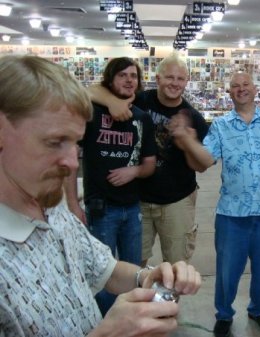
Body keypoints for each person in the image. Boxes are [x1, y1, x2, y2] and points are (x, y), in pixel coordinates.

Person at [0, 55, 201, 336]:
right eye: (55, 142)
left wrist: (147, 277)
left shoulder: (50, 208)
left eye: (75, 143)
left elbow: (104, 268)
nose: (72, 163)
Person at [167, 72, 260, 337]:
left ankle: (259, 310)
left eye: (245, 84)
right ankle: (224, 313)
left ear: (255, 89)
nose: (241, 89)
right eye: (235, 86)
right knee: (227, 272)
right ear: (229, 92)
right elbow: (205, 161)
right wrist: (187, 141)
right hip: (231, 215)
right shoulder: (221, 126)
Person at [88, 53, 209, 266]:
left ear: (186, 82)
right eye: (170, 77)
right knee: (135, 265)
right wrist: (112, 102)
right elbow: (88, 91)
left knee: (176, 266)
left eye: (180, 79)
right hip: (139, 200)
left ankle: (170, 302)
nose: (175, 83)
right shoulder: (141, 99)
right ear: (158, 78)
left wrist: (186, 141)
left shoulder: (193, 117)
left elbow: (202, 165)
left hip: (177, 201)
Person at [65, 57, 157, 316]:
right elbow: (71, 161)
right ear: (110, 79)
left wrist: (134, 170)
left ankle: (129, 320)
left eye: (133, 76)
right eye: (122, 75)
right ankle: (104, 324)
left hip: (132, 207)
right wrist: (73, 204)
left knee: (132, 270)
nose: (129, 80)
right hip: (101, 209)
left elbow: (149, 163)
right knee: (103, 273)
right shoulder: (92, 113)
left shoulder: (141, 118)